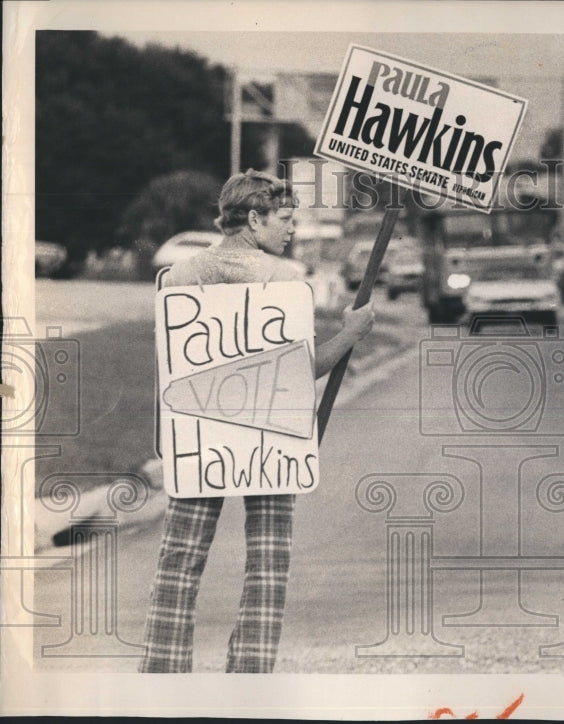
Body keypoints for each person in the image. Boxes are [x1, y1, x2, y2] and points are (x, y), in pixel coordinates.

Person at [139, 169, 375, 673]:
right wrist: (350, 334)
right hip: (269, 437)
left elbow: (170, 365)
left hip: (198, 435)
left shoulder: (178, 277)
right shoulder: (282, 279)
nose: (291, 229)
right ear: (254, 217)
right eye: (285, 219)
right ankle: (249, 671)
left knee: (180, 559)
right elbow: (301, 367)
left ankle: (162, 670)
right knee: (267, 563)